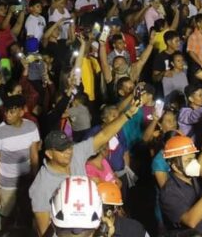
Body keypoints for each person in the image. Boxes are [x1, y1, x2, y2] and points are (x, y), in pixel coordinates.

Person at [29, 101, 141, 237]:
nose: (68, 152)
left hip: (90, 225)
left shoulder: (76, 152)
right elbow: (44, 230)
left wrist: (127, 114)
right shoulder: (41, 187)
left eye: (68, 146)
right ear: (49, 154)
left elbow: (103, 136)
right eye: (61, 150)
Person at [0, 94, 40, 229]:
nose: (7, 115)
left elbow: (34, 157)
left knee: (26, 218)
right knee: (5, 221)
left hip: (26, 183)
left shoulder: (31, 127)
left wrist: (35, 181)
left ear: (22, 112)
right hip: (7, 186)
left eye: (11, 112)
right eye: (6, 111)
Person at [159, 134, 202, 236]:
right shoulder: (169, 193)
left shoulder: (192, 176)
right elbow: (191, 221)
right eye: (188, 160)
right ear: (175, 166)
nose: (193, 163)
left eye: (193, 158)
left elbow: (200, 166)